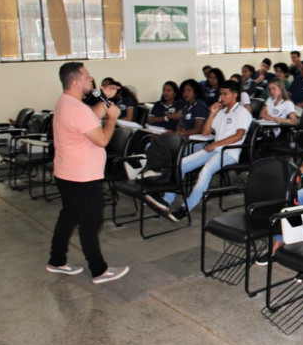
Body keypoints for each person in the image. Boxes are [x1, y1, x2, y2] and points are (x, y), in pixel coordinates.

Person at [47, 62, 129, 284]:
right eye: (86, 76)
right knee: (91, 223)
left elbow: (90, 118)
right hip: (82, 177)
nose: (90, 79)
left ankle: (56, 260)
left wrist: (105, 99)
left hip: (67, 173)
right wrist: (112, 119)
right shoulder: (76, 108)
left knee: (68, 217)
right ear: (75, 82)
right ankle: (99, 270)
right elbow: (102, 139)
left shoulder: (67, 103)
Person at [146, 80, 252, 222]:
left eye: (225, 94)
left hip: (229, 152)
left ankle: (186, 208)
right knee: (181, 164)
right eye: (221, 94)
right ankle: (166, 200)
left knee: (206, 171)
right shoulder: (221, 112)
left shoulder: (242, 112)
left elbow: (238, 136)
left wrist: (215, 144)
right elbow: (206, 132)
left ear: (235, 95)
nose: (222, 97)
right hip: (215, 149)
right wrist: (212, 114)